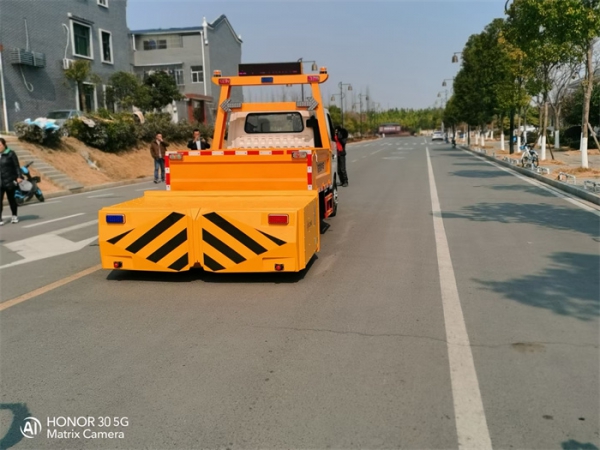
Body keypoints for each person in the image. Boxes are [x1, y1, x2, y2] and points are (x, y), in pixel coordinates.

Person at [0, 137, 23, 225]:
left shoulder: (10, 154)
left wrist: (19, 176)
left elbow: (17, 166)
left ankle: (14, 216)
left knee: (11, 200)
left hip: (10, 180)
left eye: (0, 145)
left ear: (4, 145)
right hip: (0, 181)